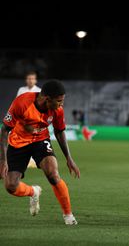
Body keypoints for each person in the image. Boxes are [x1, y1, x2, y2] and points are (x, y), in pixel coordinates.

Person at [0, 80, 81, 225]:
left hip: (40, 141)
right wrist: (3, 160)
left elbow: (59, 131)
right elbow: (4, 130)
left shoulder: (57, 110)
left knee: (53, 173)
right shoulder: (22, 103)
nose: (61, 105)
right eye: (59, 101)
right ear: (47, 99)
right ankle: (33, 192)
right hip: (18, 143)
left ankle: (68, 215)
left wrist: (69, 158)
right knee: (11, 186)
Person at [17, 71, 41, 168]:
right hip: (22, 119)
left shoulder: (39, 91)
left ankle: (33, 159)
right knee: (22, 138)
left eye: (32, 79)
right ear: (26, 80)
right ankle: (24, 158)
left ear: (35, 80)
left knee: (33, 138)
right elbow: (17, 103)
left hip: (34, 119)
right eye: (29, 78)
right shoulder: (21, 90)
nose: (30, 80)